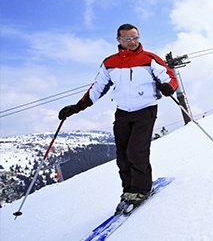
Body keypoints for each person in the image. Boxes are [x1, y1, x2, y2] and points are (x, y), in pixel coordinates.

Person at [58, 23, 178, 213]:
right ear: (119, 40)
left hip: (145, 110)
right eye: (128, 39)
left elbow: (170, 77)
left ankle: (142, 189)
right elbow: (97, 88)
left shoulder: (149, 59)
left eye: (135, 37)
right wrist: (76, 107)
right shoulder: (110, 62)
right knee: (122, 156)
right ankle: (129, 190)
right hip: (122, 112)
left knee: (136, 152)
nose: (132, 42)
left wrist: (169, 87)